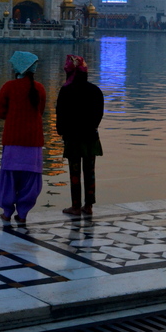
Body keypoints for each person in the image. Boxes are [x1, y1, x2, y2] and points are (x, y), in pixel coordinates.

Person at [0, 51, 46, 226]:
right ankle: (23, 213)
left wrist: (14, 116)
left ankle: (7, 212)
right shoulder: (39, 88)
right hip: (34, 142)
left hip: (12, 140)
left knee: (9, 177)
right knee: (31, 179)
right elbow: (40, 112)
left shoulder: (9, 86)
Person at [56, 55, 104, 216]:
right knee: (90, 171)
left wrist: (61, 131)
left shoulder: (66, 90)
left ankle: (75, 206)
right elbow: (99, 114)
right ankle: (88, 206)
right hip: (91, 136)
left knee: (74, 171)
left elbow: (60, 114)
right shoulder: (95, 90)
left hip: (73, 137)